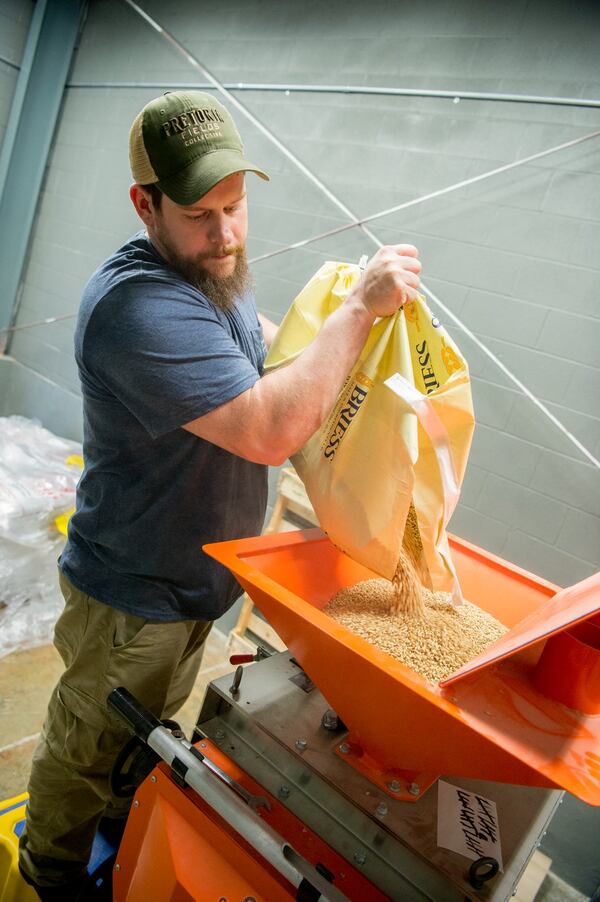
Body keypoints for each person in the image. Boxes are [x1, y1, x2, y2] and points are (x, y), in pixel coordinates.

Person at [18, 90, 422, 900]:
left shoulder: (210, 274)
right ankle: (47, 874)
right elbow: (270, 426)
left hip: (193, 587)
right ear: (146, 203)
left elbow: (275, 352)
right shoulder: (137, 307)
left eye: (235, 207)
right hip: (131, 597)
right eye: (202, 214)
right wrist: (354, 308)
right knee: (84, 745)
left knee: (142, 738)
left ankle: (113, 833)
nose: (227, 234)